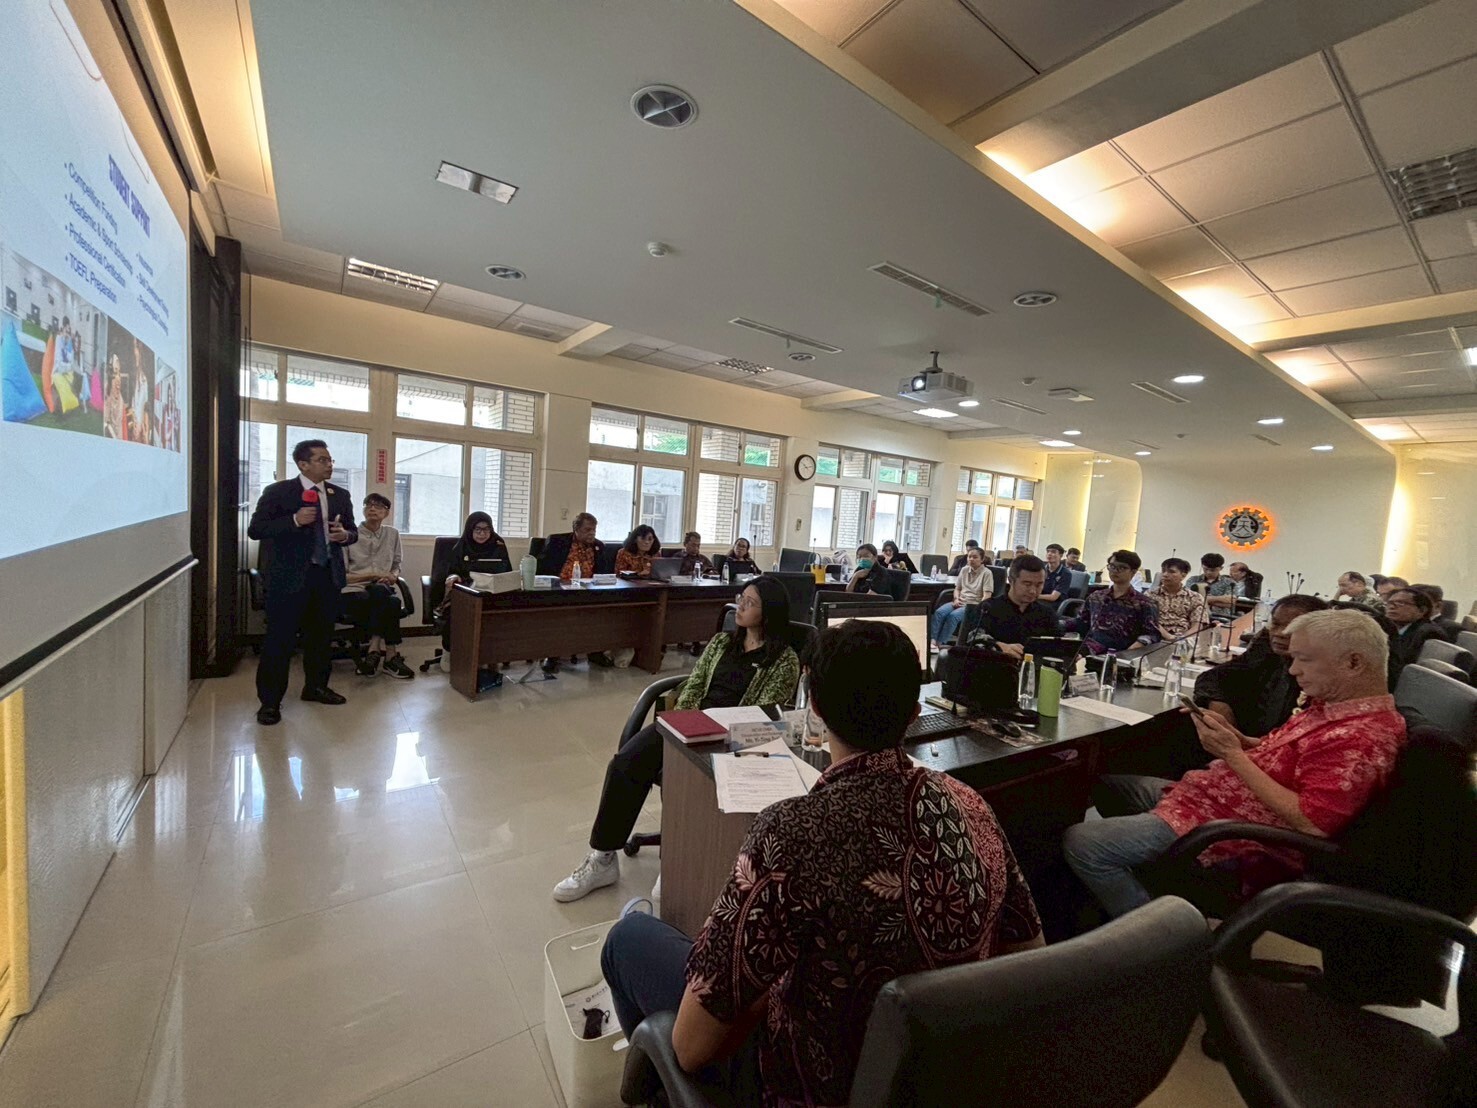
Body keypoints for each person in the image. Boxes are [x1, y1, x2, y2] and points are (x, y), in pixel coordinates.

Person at [599, 620, 1042, 1104]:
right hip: (933, 1076)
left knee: (628, 938)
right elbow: (1026, 951)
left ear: (814, 708)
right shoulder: (971, 804)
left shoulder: (791, 832)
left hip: (808, 1083)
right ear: (915, 713)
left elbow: (691, 1045)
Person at [1065, 608, 1407, 917]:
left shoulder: (1360, 738)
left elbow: (1312, 823)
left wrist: (1232, 755)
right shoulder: (1330, 708)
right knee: (1108, 785)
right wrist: (1243, 741)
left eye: (1304, 660)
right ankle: (1144, 880)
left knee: (1083, 843)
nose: (1293, 669)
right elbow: (1290, 757)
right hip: (1211, 801)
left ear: (1354, 663)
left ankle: (1160, 938)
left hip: (1236, 834)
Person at [553, 577, 800, 902]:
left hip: (733, 742)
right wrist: (685, 722)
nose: (740, 605)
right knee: (625, 763)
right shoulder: (722, 644)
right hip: (691, 726)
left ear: (769, 613)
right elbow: (695, 685)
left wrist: (716, 735)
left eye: (750, 602)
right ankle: (603, 858)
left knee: (683, 783)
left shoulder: (783, 661)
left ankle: (678, 867)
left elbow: (764, 718)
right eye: (742, 597)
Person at [248, 439, 359, 726]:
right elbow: (256, 529)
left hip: (326, 576)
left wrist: (344, 536)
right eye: (322, 460)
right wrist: (294, 520)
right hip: (288, 580)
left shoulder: (339, 495)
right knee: (280, 642)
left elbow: (352, 531)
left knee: (321, 639)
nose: (329, 464)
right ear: (303, 464)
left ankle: (316, 687)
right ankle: (270, 703)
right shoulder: (279, 492)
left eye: (330, 459)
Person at [1194, 595, 1329, 737]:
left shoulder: (1325, 674)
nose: (1278, 633)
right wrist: (1220, 705)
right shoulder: (1266, 647)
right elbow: (1215, 676)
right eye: (1275, 624)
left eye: (1291, 627)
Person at [341, 492, 413, 679]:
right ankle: (390, 655)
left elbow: (397, 565)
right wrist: (374, 575)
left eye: (379, 506)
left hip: (381, 588)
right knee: (392, 603)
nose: (373, 508)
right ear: (363, 510)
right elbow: (341, 576)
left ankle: (374, 651)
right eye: (369, 505)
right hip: (354, 590)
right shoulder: (350, 535)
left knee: (382, 593)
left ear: (386, 512)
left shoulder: (392, 534)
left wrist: (392, 576)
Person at [537, 512, 604, 674]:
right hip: (559, 590)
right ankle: (551, 656)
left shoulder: (599, 546)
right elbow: (543, 569)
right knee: (559, 615)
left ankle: (596, 651)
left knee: (603, 611)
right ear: (576, 529)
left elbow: (602, 572)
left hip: (588, 591)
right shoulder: (557, 542)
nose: (592, 533)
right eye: (588, 529)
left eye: (594, 530)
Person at [1066, 550, 1160, 655]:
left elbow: (1152, 635)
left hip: (1123, 654)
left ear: (1133, 572)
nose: (1115, 571)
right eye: (1112, 566)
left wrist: (1128, 653)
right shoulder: (1096, 597)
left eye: (1122, 567)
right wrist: (1056, 623)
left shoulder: (1145, 603)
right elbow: (1081, 622)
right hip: (1091, 650)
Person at [975, 554, 1061, 656]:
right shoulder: (988, 608)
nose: (1033, 591)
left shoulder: (1047, 614)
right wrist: (997, 646)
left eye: (1039, 585)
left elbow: (1058, 645)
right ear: (1011, 580)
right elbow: (974, 638)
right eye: (1027, 584)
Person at [929, 544, 991, 647]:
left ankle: (940, 643)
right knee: (939, 612)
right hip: (959, 601)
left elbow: (987, 595)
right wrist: (956, 599)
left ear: (982, 559)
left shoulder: (987, 573)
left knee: (953, 616)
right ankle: (932, 641)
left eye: (975, 557)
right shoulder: (964, 570)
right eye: (969, 556)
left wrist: (976, 607)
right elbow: (957, 588)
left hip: (972, 605)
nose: (971, 559)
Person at [1385, 587, 1447, 672]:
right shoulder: (1390, 627)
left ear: (1422, 610)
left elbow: (1412, 670)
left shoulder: (1429, 634)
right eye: (1389, 603)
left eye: (1400, 603)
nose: (1391, 607)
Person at [1147, 557, 1207, 640]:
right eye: (1163, 571)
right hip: (1155, 636)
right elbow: (1150, 621)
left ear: (1183, 575)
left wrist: (1182, 639)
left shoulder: (1194, 597)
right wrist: (1170, 637)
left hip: (1184, 638)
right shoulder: (1150, 595)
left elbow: (1197, 625)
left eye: (1171, 571)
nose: (1165, 574)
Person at [1187, 553, 1238, 623]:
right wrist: (1220, 599)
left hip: (1221, 618)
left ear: (1221, 568)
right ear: (1202, 566)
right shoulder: (1193, 580)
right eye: (1205, 569)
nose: (1208, 572)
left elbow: (1230, 603)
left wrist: (1203, 600)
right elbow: (1188, 599)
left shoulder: (1230, 583)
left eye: (1212, 570)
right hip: (1196, 618)